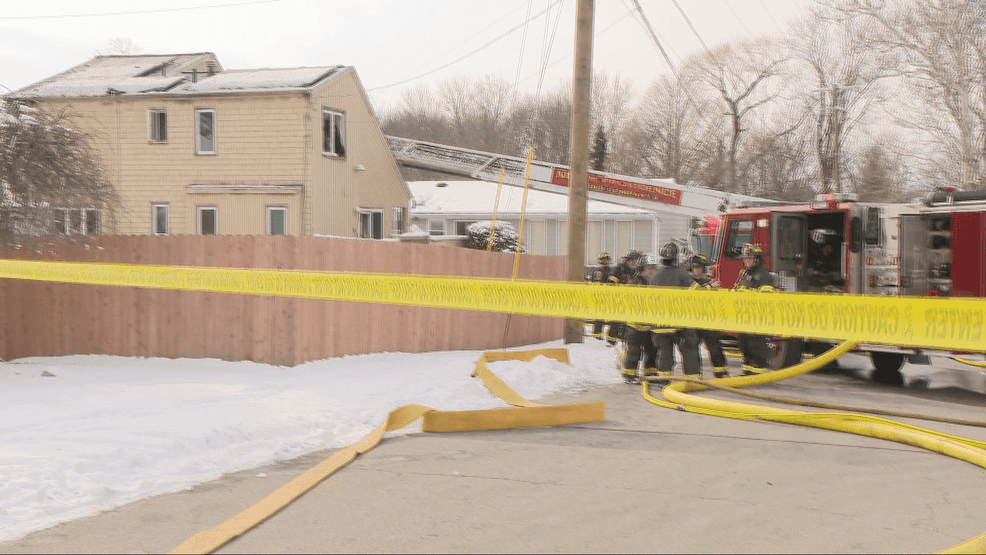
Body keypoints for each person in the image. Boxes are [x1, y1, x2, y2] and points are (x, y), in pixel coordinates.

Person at [652, 242, 701, 383]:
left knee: (664, 353)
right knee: (689, 350)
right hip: (680, 323)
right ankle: (692, 380)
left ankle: (663, 380)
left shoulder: (654, 277)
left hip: (660, 323)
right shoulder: (682, 275)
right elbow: (698, 292)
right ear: (675, 258)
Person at [734, 243, 776, 375]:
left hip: (757, 318)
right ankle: (747, 371)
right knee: (744, 344)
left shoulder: (763, 276)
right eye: (745, 259)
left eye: (749, 258)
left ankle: (758, 372)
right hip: (744, 317)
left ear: (756, 259)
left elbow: (765, 299)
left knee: (756, 346)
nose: (746, 261)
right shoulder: (744, 274)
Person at [688, 254, 728, 379]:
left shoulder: (709, 282)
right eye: (697, 267)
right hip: (693, 321)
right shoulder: (688, 281)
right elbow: (694, 293)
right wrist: (710, 287)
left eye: (701, 267)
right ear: (691, 268)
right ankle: (695, 375)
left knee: (715, 347)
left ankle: (721, 373)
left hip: (708, 320)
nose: (699, 270)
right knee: (692, 349)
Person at [621, 258, 659, 383]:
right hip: (635, 325)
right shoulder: (634, 283)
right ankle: (629, 375)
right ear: (641, 269)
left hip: (650, 325)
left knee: (652, 350)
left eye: (653, 268)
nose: (651, 271)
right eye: (649, 268)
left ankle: (650, 373)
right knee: (634, 351)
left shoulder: (655, 283)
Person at [606, 249, 643, 345]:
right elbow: (611, 285)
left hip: (630, 301)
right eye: (632, 260)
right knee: (616, 321)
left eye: (635, 261)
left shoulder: (635, 272)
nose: (634, 263)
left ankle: (624, 339)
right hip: (618, 300)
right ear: (627, 260)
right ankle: (611, 341)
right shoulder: (618, 270)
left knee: (628, 322)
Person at [589, 252, 614, 340]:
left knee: (602, 317)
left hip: (604, 296)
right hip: (601, 296)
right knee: (600, 317)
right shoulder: (601, 271)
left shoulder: (598, 271)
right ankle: (598, 335)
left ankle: (599, 334)